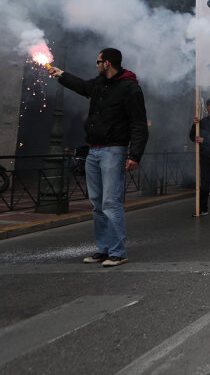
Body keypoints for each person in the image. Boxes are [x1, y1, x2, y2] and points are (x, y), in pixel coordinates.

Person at [49, 48, 148, 267]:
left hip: (114, 150)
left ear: (107, 63)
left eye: (98, 61)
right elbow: (82, 86)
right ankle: (103, 249)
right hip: (94, 150)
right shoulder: (99, 85)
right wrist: (61, 74)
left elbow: (139, 124)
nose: (95, 65)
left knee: (111, 202)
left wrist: (134, 154)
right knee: (97, 204)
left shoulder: (130, 88)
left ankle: (118, 251)